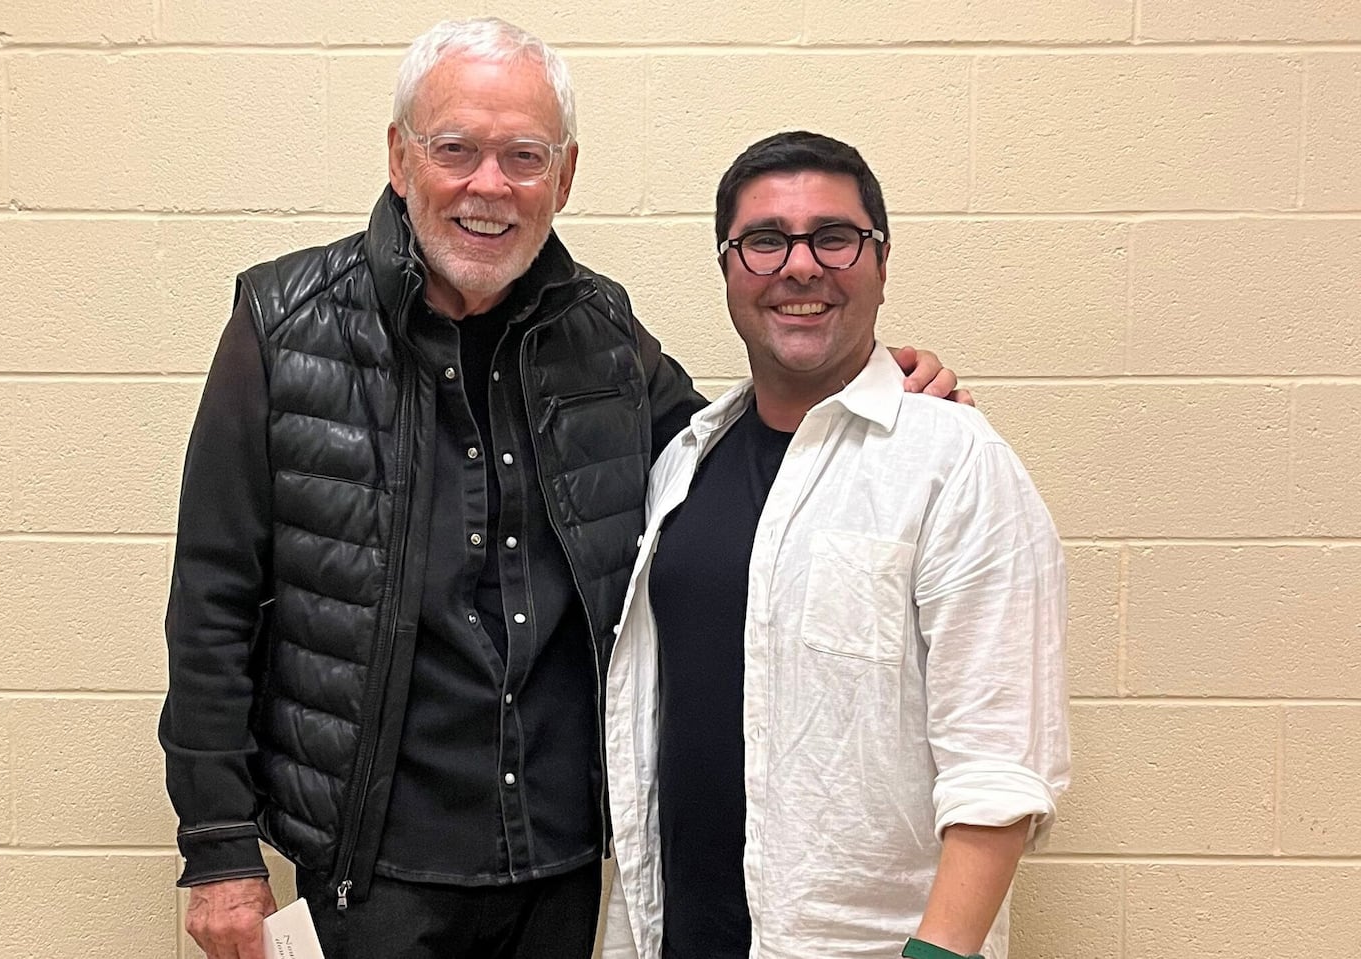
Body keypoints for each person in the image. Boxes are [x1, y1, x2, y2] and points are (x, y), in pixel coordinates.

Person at [160, 19, 965, 959]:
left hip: (565, 862)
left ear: (565, 176)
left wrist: (875, 391)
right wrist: (217, 845)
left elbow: (738, 460)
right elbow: (212, 596)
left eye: (523, 156)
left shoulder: (603, 331)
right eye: (455, 149)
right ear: (399, 156)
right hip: (368, 869)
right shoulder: (282, 323)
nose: (488, 186)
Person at [602, 131, 1070, 959]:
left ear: (881, 263)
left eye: (834, 237)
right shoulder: (682, 463)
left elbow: (1000, 765)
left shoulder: (956, 461)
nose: (802, 266)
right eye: (765, 241)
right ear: (729, 270)